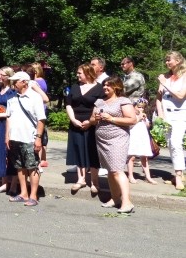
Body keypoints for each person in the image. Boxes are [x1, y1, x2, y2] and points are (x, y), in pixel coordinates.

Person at [91, 77, 137, 213]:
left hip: (118, 139)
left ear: (116, 87)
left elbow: (132, 119)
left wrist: (111, 118)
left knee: (117, 169)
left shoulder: (123, 101)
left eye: (108, 85)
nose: (105, 87)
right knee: (110, 170)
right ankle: (115, 198)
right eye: (104, 85)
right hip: (101, 140)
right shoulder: (99, 102)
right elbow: (91, 120)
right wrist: (96, 118)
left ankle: (127, 202)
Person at [5, 71, 46, 206]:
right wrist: (7, 135)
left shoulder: (35, 97)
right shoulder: (12, 99)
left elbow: (41, 119)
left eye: (15, 81)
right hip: (15, 137)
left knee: (32, 166)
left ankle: (33, 196)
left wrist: (38, 138)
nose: (13, 83)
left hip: (30, 137)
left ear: (24, 82)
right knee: (20, 166)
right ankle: (23, 193)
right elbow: (9, 118)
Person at [65, 63, 104, 195]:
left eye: (79, 73)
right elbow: (68, 104)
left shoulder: (99, 88)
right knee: (78, 149)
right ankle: (81, 179)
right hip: (76, 123)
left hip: (92, 123)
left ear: (88, 74)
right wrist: (73, 120)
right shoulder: (75, 87)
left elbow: (99, 106)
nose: (77, 75)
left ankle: (95, 182)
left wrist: (91, 121)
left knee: (92, 152)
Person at [155, 50, 186, 190]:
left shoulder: (184, 76)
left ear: (178, 61)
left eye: (170, 60)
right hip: (166, 115)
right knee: (170, 144)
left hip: (180, 114)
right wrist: (161, 114)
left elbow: (180, 95)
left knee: (176, 143)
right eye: (166, 60)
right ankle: (178, 173)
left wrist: (164, 83)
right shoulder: (166, 76)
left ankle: (179, 177)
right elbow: (158, 97)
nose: (167, 62)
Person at [127, 98, 157, 184]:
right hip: (134, 137)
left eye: (143, 107)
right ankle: (130, 175)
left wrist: (145, 120)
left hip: (142, 137)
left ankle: (148, 176)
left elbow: (147, 126)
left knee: (144, 157)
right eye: (139, 107)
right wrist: (138, 118)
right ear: (133, 107)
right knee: (132, 157)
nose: (141, 109)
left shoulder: (144, 116)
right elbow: (130, 125)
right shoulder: (131, 116)